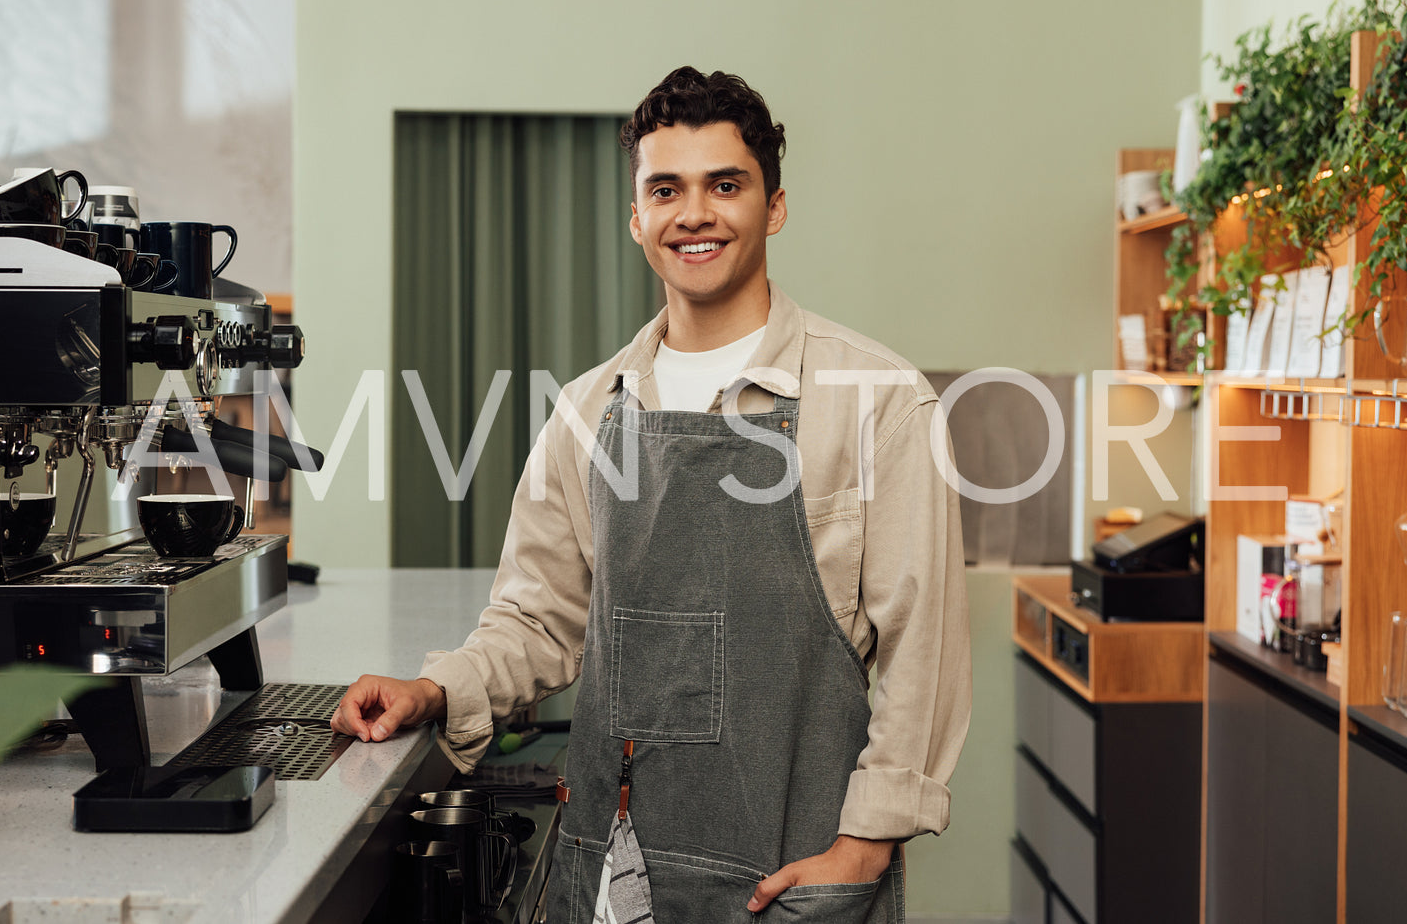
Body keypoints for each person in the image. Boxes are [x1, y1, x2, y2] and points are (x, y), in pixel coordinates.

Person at [332, 66, 972, 923]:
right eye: (665, 188)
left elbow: (921, 647)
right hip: (611, 874)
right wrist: (439, 687)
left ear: (773, 206)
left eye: (726, 185)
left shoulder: (879, 399)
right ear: (636, 216)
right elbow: (539, 619)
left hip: (793, 880)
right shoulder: (587, 413)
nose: (694, 213)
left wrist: (865, 841)